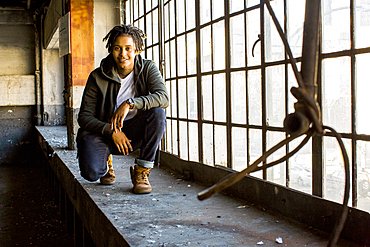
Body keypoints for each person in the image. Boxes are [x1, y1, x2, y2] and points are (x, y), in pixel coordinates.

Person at [76, 25, 169, 194]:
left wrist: (130, 103)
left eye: (128, 49)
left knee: (158, 113)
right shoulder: (97, 76)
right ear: (111, 49)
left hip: (134, 132)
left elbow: (163, 97)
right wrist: (111, 131)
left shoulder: (147, 68)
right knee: (91, 174)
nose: (123, 54)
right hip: (105, 133)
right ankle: (105, 164)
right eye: (117, 48)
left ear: (137, 49)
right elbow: (84, 117)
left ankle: (141, 171)